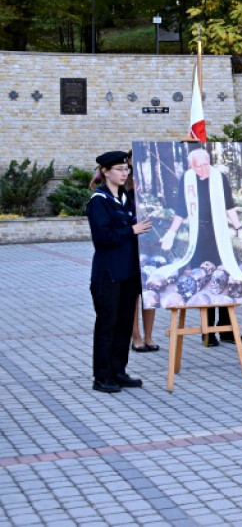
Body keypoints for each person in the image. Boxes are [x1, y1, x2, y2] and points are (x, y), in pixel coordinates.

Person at [158, 147, 242, 346]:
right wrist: (171, 233)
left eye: (205, 164)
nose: (202, 169)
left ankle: (226, 328)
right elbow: (181, 209)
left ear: (210, 161)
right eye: (197, 166)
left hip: (219, 234)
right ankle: (208, 332)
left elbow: (229, 206)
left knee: (224, 274)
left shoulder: (219, 177)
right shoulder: (187, 179)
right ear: (191, 166)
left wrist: (240, 229)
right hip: (198, 235)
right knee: (204, 277)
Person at [87, 151, 152, 393]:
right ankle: (102, 376)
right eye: (119, 169)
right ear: (105, 172)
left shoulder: (126, 197)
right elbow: (103, 237)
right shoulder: (99, 201)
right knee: (108, 324)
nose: (124, 173)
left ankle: (118, 370)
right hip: (108, 274)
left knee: (124, 323)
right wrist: (132, 230)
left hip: (128, 273)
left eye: (126, 169)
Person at [126, 151, 158, 352]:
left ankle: (149, 336)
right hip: (131, 247)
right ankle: (135, 336)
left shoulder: (151, 187)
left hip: (151, 245)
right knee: (134, 295)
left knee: (150, 292)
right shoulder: (124, 190)